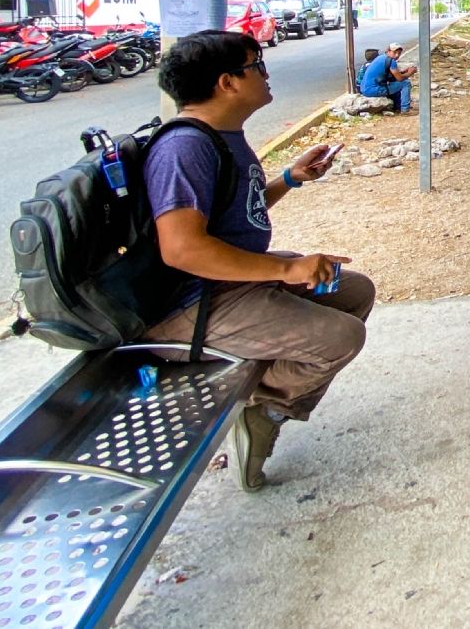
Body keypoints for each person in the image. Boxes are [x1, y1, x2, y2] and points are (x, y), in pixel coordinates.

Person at [143, 30, 375, 492]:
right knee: (340, 337)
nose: (267, 75)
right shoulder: (184, 148)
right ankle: (262, 411)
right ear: (227, 82)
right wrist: (286, 268)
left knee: (353, 291)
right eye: (257, 65)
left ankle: (259, 394)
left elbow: (236, 214)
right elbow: (182, 248)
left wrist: (289, 179)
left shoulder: (224, 136)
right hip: (191, 305)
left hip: (229, 284)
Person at [361, 42, 416, 112]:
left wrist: (405, 72)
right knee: (406, 83)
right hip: (373, 90)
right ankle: (405, 109)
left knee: (397, 83)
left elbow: (394, 76)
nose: (397, 55)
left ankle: (397, 105)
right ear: (388, 51)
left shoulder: (381, 58)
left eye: (399, 53)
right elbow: (399, 78)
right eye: (395, 52)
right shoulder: (391, 61)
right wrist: (410, 73)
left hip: (364, 89)